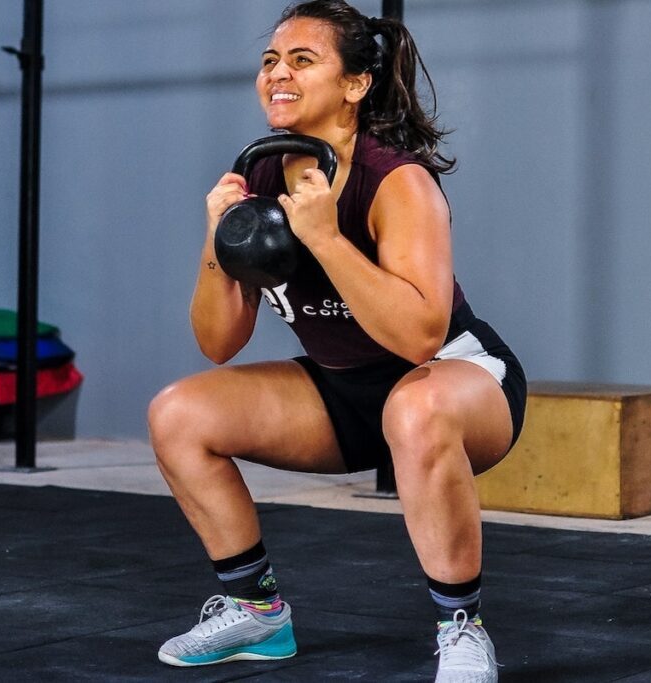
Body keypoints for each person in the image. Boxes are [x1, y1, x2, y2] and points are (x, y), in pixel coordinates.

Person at [148, 2, 526, 681]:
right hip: (345, 391)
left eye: (301, 60)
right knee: (178, 412)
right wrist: (216, 236)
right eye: (269, 61)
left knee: (415, 408)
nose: (277, 75)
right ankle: (256, 612)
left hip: (455, 380)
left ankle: (462, 627)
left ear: (355, 85)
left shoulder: (396, 180)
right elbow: (216, 341)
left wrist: (324, 236)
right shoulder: (259, 178)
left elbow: (418, 337)